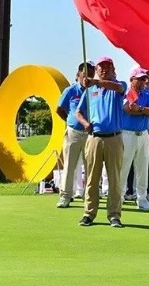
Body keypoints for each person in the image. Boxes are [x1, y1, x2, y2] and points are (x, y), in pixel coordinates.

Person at [75, 56, 126, 228]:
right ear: (96, 69)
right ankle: (89, 213)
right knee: (92, 178)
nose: (104, 69)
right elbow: (78, 113)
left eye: (107, 67)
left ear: (113, 70)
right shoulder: (90, 91)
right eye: (101, 67)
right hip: (95, 138)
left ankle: (114, 215)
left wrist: (96, 81)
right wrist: (85, 123)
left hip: (114, 138)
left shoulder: (119, 86)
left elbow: (118, 88)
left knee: (114, 179)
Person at [55, 61, 95, 208]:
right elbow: (59, 109)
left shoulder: (95, 91)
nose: (87, 78)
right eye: (85, 74)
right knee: (70, 166)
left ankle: (88, 196)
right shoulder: (71, 91)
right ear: (78, 75)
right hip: (74, 133)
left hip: (91, 134)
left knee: (90, 166)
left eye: (91, 74)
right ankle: (65, 196)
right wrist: (70, 120)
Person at [119, 67, 149, 211]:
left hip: (143, 135)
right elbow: (128, 109)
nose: (143, 82)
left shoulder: (148, 95)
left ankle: (141, 199)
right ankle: (119, 197)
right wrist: (143, 111)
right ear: (131, 80)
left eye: (144, 79)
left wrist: (141, 109)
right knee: (123, 168)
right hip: (127, 134)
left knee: (143, 169)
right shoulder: (127, 94)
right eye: (139, 79)